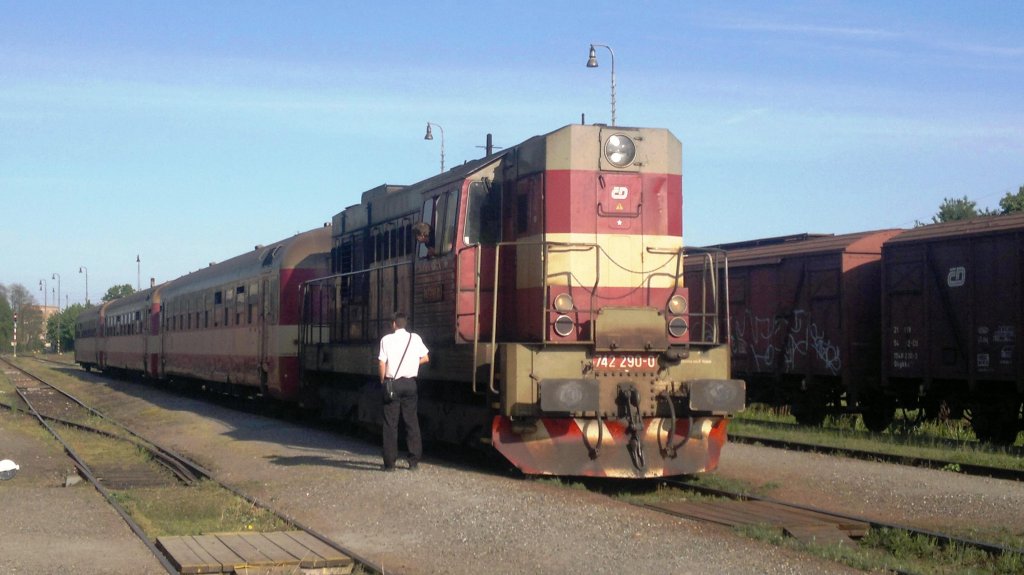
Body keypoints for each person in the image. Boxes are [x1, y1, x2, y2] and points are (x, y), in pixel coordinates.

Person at [377, 312, 429, 471]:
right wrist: (412, 365)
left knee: (390, 424)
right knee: (411, 422)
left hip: (393, 383)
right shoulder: (416, 338)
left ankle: (390, 464)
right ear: (405, 324)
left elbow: (381, 363)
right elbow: (426, 358)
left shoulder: (386, 340)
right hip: (410, 384)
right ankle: (413, 462)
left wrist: (383, 381)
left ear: (394, 324)